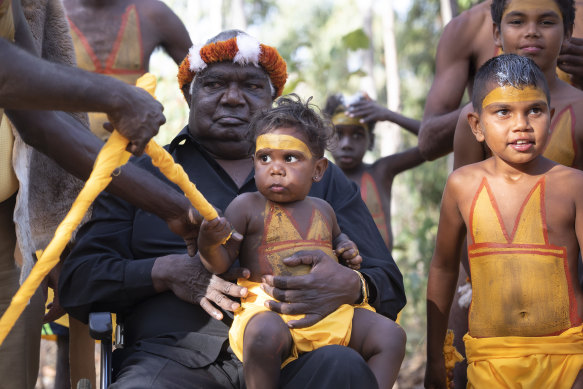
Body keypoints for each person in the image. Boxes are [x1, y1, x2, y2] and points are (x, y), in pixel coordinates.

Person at [59, 29, 406, 388]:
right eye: (215, 84)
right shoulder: (140, 176)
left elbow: (388, 281)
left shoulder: (321, 178)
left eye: (252, 86)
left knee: (343, 366)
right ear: (189, 95)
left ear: (273, 99)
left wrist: (352, 285)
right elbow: (78, 282)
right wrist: (165, 271)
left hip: (299, 357)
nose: (233, 98)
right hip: (170, 360)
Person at [0, 1, 198, 387]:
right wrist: (114, 95)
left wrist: (170, 205)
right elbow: (9, 76)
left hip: (17, 217)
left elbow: (39, 122)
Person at [198, 95, 406, 389]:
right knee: (262, 335)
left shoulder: (324, 209)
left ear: (318, 170)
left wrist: (347, 250)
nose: (276, 168)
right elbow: (219, 262)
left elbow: (338, 240)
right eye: (264, 157)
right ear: (253, 162)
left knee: (391, 336)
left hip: (330, 310)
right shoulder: (246, 206)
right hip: (270, 309)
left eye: (290, 158)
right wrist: (208, 243)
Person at [425, 53, 583, 389]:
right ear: (477, 126)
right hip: (490, 360)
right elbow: (443, 269)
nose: (521, 124)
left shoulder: (574, 184)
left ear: (551, 118)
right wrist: (436, 356)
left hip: (569, 356)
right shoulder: (462, 186)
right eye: (503, 112)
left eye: (534, 111)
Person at [418, 0, 583, 161]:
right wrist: (487, 104)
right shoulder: (471, 25)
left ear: (567, 33)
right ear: (497, 34)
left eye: (546, 22)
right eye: (518, 22)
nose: (532, 31)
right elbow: (430, 144)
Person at [63, 0, 192, 140]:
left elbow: (201, 78)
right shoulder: (50, 12)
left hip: (133, 150)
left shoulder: (153, 12)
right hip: (64, 147)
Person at [324, 93, 424, 251]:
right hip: (334, 274)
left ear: (371, 141)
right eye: (338, 134)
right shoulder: (316, 179)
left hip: (381, 275)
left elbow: (437, 142)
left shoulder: (381, 172)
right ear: (326, 139)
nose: (346, 144)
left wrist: (389, 115)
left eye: (357, 135)